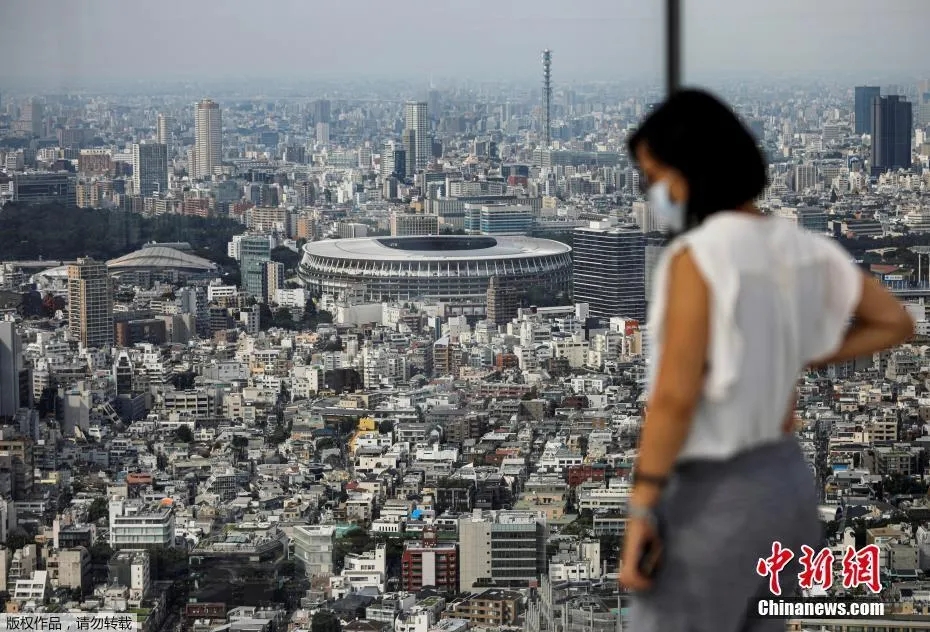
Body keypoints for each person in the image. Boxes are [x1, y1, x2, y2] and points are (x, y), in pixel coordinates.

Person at [618, 89, 914, 632]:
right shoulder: (803, 247)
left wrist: (641, 508)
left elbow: (676, 396)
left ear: (692, 171)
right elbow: (896, 322)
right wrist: (799, 356)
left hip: (712, 491)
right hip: (786, 483)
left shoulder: (698, 257)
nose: (654, 193)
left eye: (656, 177)